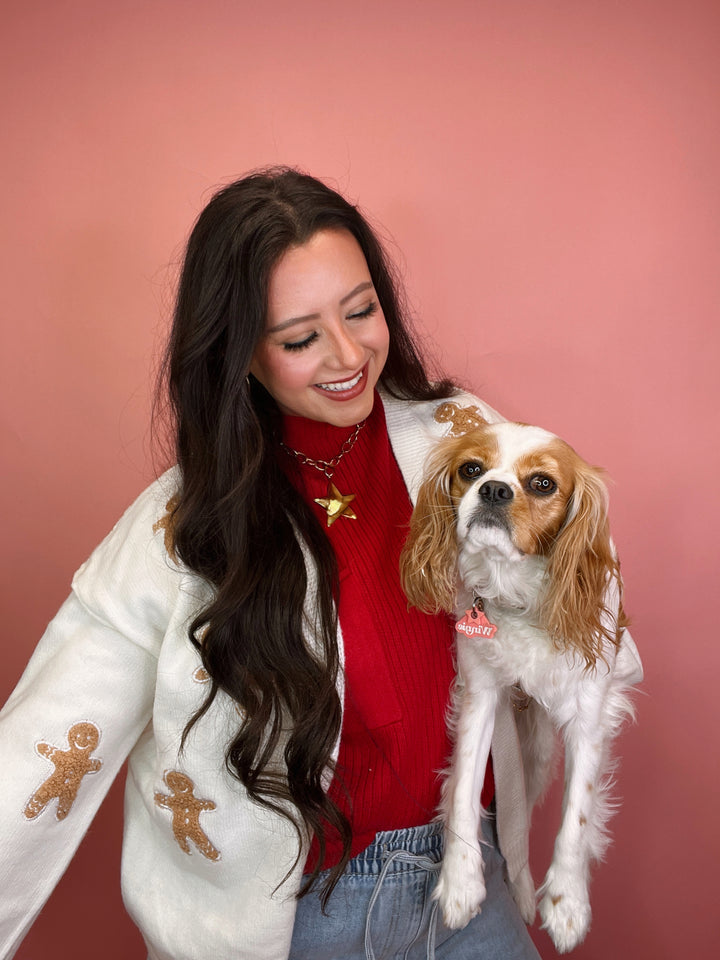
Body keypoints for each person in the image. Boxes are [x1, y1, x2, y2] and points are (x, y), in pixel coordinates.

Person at [0, 167, 623, 959]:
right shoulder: (181, 530)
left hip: (470, 878)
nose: (347, 354)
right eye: (299, 338)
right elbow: (44, 748)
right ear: (240, 356)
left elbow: (581, 591)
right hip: (303, 916)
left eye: (362, 311)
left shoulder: (462, 442)